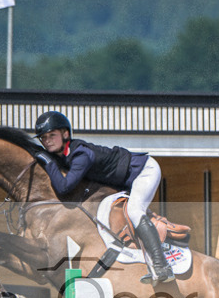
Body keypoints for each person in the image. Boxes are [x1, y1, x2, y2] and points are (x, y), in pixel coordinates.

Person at [32, 111, 173, 284]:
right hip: (124, 182)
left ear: (66, 134)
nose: (47, 141)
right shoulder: (65, 155)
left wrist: (48, 162)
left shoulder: (81, 155)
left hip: (143, 171)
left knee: (135, 211)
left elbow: (64, 187)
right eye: (43, 138)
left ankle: (162, 266)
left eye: (52, 135)